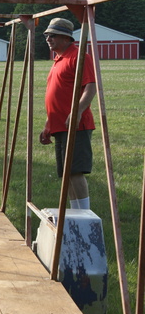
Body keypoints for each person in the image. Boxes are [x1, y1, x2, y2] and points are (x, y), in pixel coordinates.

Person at [39, 18, 97, 210]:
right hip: (59, 125)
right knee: (67, 172)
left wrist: (77, 111)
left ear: (66, 37)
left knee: (75, 171)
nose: (48, 38)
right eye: (47, 35)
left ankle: (84, 214)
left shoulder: (80, 57)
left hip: (75, 124)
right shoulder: (58, 59)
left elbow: (91, 87)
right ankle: (75, 213)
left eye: (52, 35)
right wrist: (48, 124)